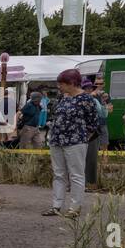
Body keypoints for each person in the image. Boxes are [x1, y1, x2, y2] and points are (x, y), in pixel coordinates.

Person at [44, 69, 100, 217]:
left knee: (76, 175)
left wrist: (82, 139)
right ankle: (56, 205)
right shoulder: (63, 98)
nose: (59, 86)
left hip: (76, 142)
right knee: (58, 174)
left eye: (61, 83)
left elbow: (93, 123)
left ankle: (75, 207)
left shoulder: (87, 100)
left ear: (72, 83)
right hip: (57, 140)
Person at [82, 78, 108, 189]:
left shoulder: (95, 100)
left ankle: (88, 183)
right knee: (87, 159)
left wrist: (104, 105)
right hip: (86, 133)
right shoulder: (92, 100)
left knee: (88, 159)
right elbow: (103, 114)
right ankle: (87, 183)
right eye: (86, 88)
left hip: (89, 133)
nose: (88, 90)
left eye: (90, 88)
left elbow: (103, 114)